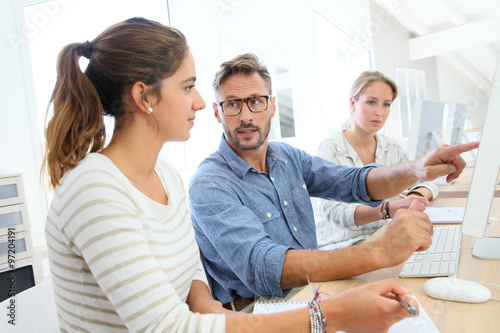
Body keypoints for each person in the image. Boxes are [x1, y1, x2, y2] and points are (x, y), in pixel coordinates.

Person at [41, 18, 420, 333]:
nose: (200, 102)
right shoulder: (95, 189)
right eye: (188, 87)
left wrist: (223, 315)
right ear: (145, 97)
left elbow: (193, 283)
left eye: (255, 102)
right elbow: (170, 327)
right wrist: (331, 315)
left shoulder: (166, 177)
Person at [188, 53, 478, 312]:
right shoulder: (210, 183)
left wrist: (416, 168)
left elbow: (353, 182)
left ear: (272, 106)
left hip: (310, 289)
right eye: (232, 105)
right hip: (263, 308)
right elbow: (264, 268)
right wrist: (380, 251)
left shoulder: (286, 157)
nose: (246, 116)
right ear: (217, 112)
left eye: (255, 101)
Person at [313, 71, 439, 251]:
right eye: (371, 102)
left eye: (386, 104)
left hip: (384, 238)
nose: (379, 112)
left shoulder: (391, 147)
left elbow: (424, 183)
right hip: (343, 246)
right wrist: (388, 209)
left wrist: (415, 197)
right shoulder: (330, 150)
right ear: (352, 103)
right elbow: (335, 213)